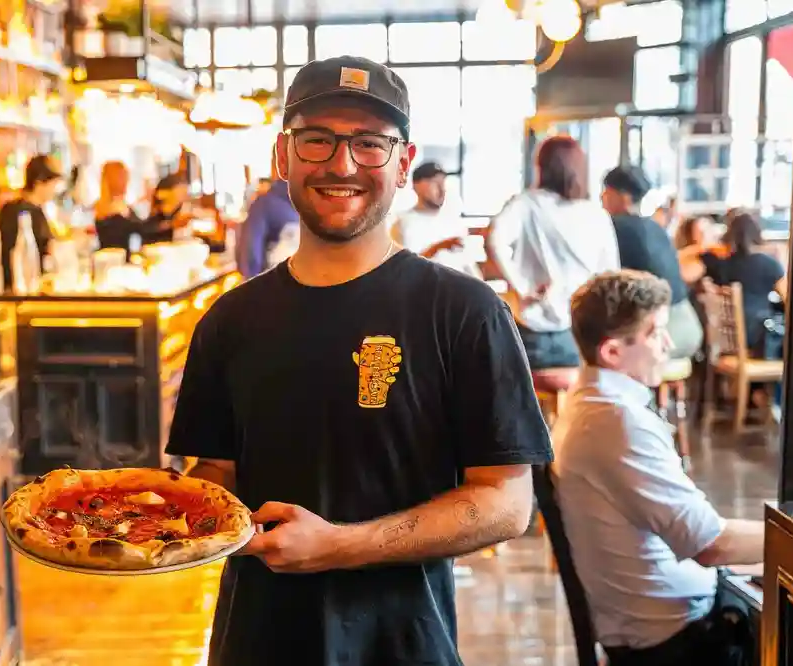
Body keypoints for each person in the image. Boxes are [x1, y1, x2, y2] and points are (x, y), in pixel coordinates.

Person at [166, 55, 553, 666]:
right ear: (282, 157)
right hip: (255, 643)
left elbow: (507, 503)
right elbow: (219, 478)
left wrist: (340, 546)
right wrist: (132, 515)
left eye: (370, 144)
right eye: (317, 140)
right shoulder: (229, 321)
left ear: (401, 162)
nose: (341, 164)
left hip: (402, 645)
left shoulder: (464, 312)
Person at [552, 270, 764, 666]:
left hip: (675, 621)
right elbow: (711, 544)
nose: (667, 345)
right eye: (654, 333)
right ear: (612, 352)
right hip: (679, 645)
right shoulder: (614, 422)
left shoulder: (593, 403)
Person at [486, 135, 620, 369]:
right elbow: (610, 274)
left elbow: (494, 240)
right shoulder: (596, 214)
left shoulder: (525, 204)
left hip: (530, 336)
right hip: (578, 337)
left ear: (541, 167)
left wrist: (522, 288)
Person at [601, 165, 703, 361]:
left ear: (623, 197)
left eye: (606, 193)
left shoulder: (616, 227)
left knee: (607, 355)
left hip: (663, 332)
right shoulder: (655, 228)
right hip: (689, 327)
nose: (602, 199)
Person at [691, 210, 788, 357]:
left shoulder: (721, 264)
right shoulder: (769, 264)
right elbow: (789, 299)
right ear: (757, 233)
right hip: (757, 338)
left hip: (729, 339)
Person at [390, 161, 481, 277]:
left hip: (461, 290)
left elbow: (469, 265)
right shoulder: (404, 223)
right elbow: (405, 269)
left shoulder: (454, 221)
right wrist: (438, 248)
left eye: (443, 182)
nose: (441, 188)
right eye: (434, 182)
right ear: (416, 185)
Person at [0, 154, 62, 288]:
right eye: (53, 184)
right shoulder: (27, 213)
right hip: (28, 288)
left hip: (18, 287)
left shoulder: (11, 209)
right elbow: (48, 250)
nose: (54, 190)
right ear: (39, 182)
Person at [237, 150, 300, 279]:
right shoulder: (317, 204)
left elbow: (250, 259)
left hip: (272, 292)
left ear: (276, 164)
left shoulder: (263, 205)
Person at [93, 161, 137, 256]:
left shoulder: (120, 205)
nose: (127, 181)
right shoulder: (115, 209)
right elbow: (140, 228)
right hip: (115, 261)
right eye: (124, 177)